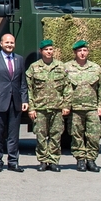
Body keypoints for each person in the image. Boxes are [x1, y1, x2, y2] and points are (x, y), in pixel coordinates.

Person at [0, 33, 28, 172]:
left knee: (13, 135)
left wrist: (24, 99)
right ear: (1, 44)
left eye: (12, 43)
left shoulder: (19, 59)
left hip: (15, 102)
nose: (10, 45)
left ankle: (13, 161)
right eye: (7, 43)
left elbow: (22, 82)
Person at [25, 39, 70, 172]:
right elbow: (29, 89)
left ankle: (54, 160)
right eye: (46, 50)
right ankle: (43, 160)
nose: (49, 52)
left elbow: (67, 88)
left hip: (57, 107)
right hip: (40, 108)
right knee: (41, 136)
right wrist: (31, 108)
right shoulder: (34, 68)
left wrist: (66, 105)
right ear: (41, 51)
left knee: (56, 135)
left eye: (51, 49)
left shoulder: (61, 67)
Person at [64, 40, 101, 173]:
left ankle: (91, 159)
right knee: (76, 135)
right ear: (75, 52)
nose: (82, 53)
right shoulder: (67, 68)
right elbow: (63, 88)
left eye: (85, 51)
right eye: (79, 51)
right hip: (75, 109)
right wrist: (65, 105)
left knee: (94, 135)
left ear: (88, 52)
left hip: (92, 108)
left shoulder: (95, 68)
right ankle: (80, 160)